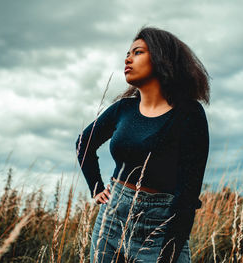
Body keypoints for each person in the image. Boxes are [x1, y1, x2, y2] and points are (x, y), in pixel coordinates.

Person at [76, 26, 210, 263]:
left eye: (137, 52)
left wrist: (168, 253)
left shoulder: (189, 114)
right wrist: (96, 188)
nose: (128, 58)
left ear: (161, 57)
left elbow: (187, 195)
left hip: (161, 226)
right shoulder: (123, 109)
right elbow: (83, 142)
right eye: (127, 53)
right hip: (111, 221)